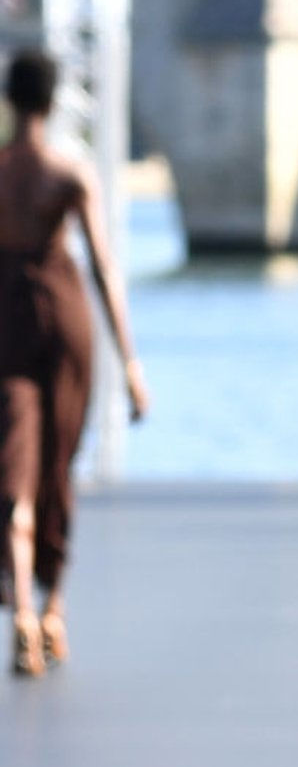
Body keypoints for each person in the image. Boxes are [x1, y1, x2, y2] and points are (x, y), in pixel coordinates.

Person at [0, 48, 149, 677]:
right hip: (65, 323)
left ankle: (23, 614)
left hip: (5, 323)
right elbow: (106, 270)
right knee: (60, 462)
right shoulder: (70, 174)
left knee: (14, 469)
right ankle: (54, 605)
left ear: (9, 99)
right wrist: (132, 364)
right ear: (54, 100)